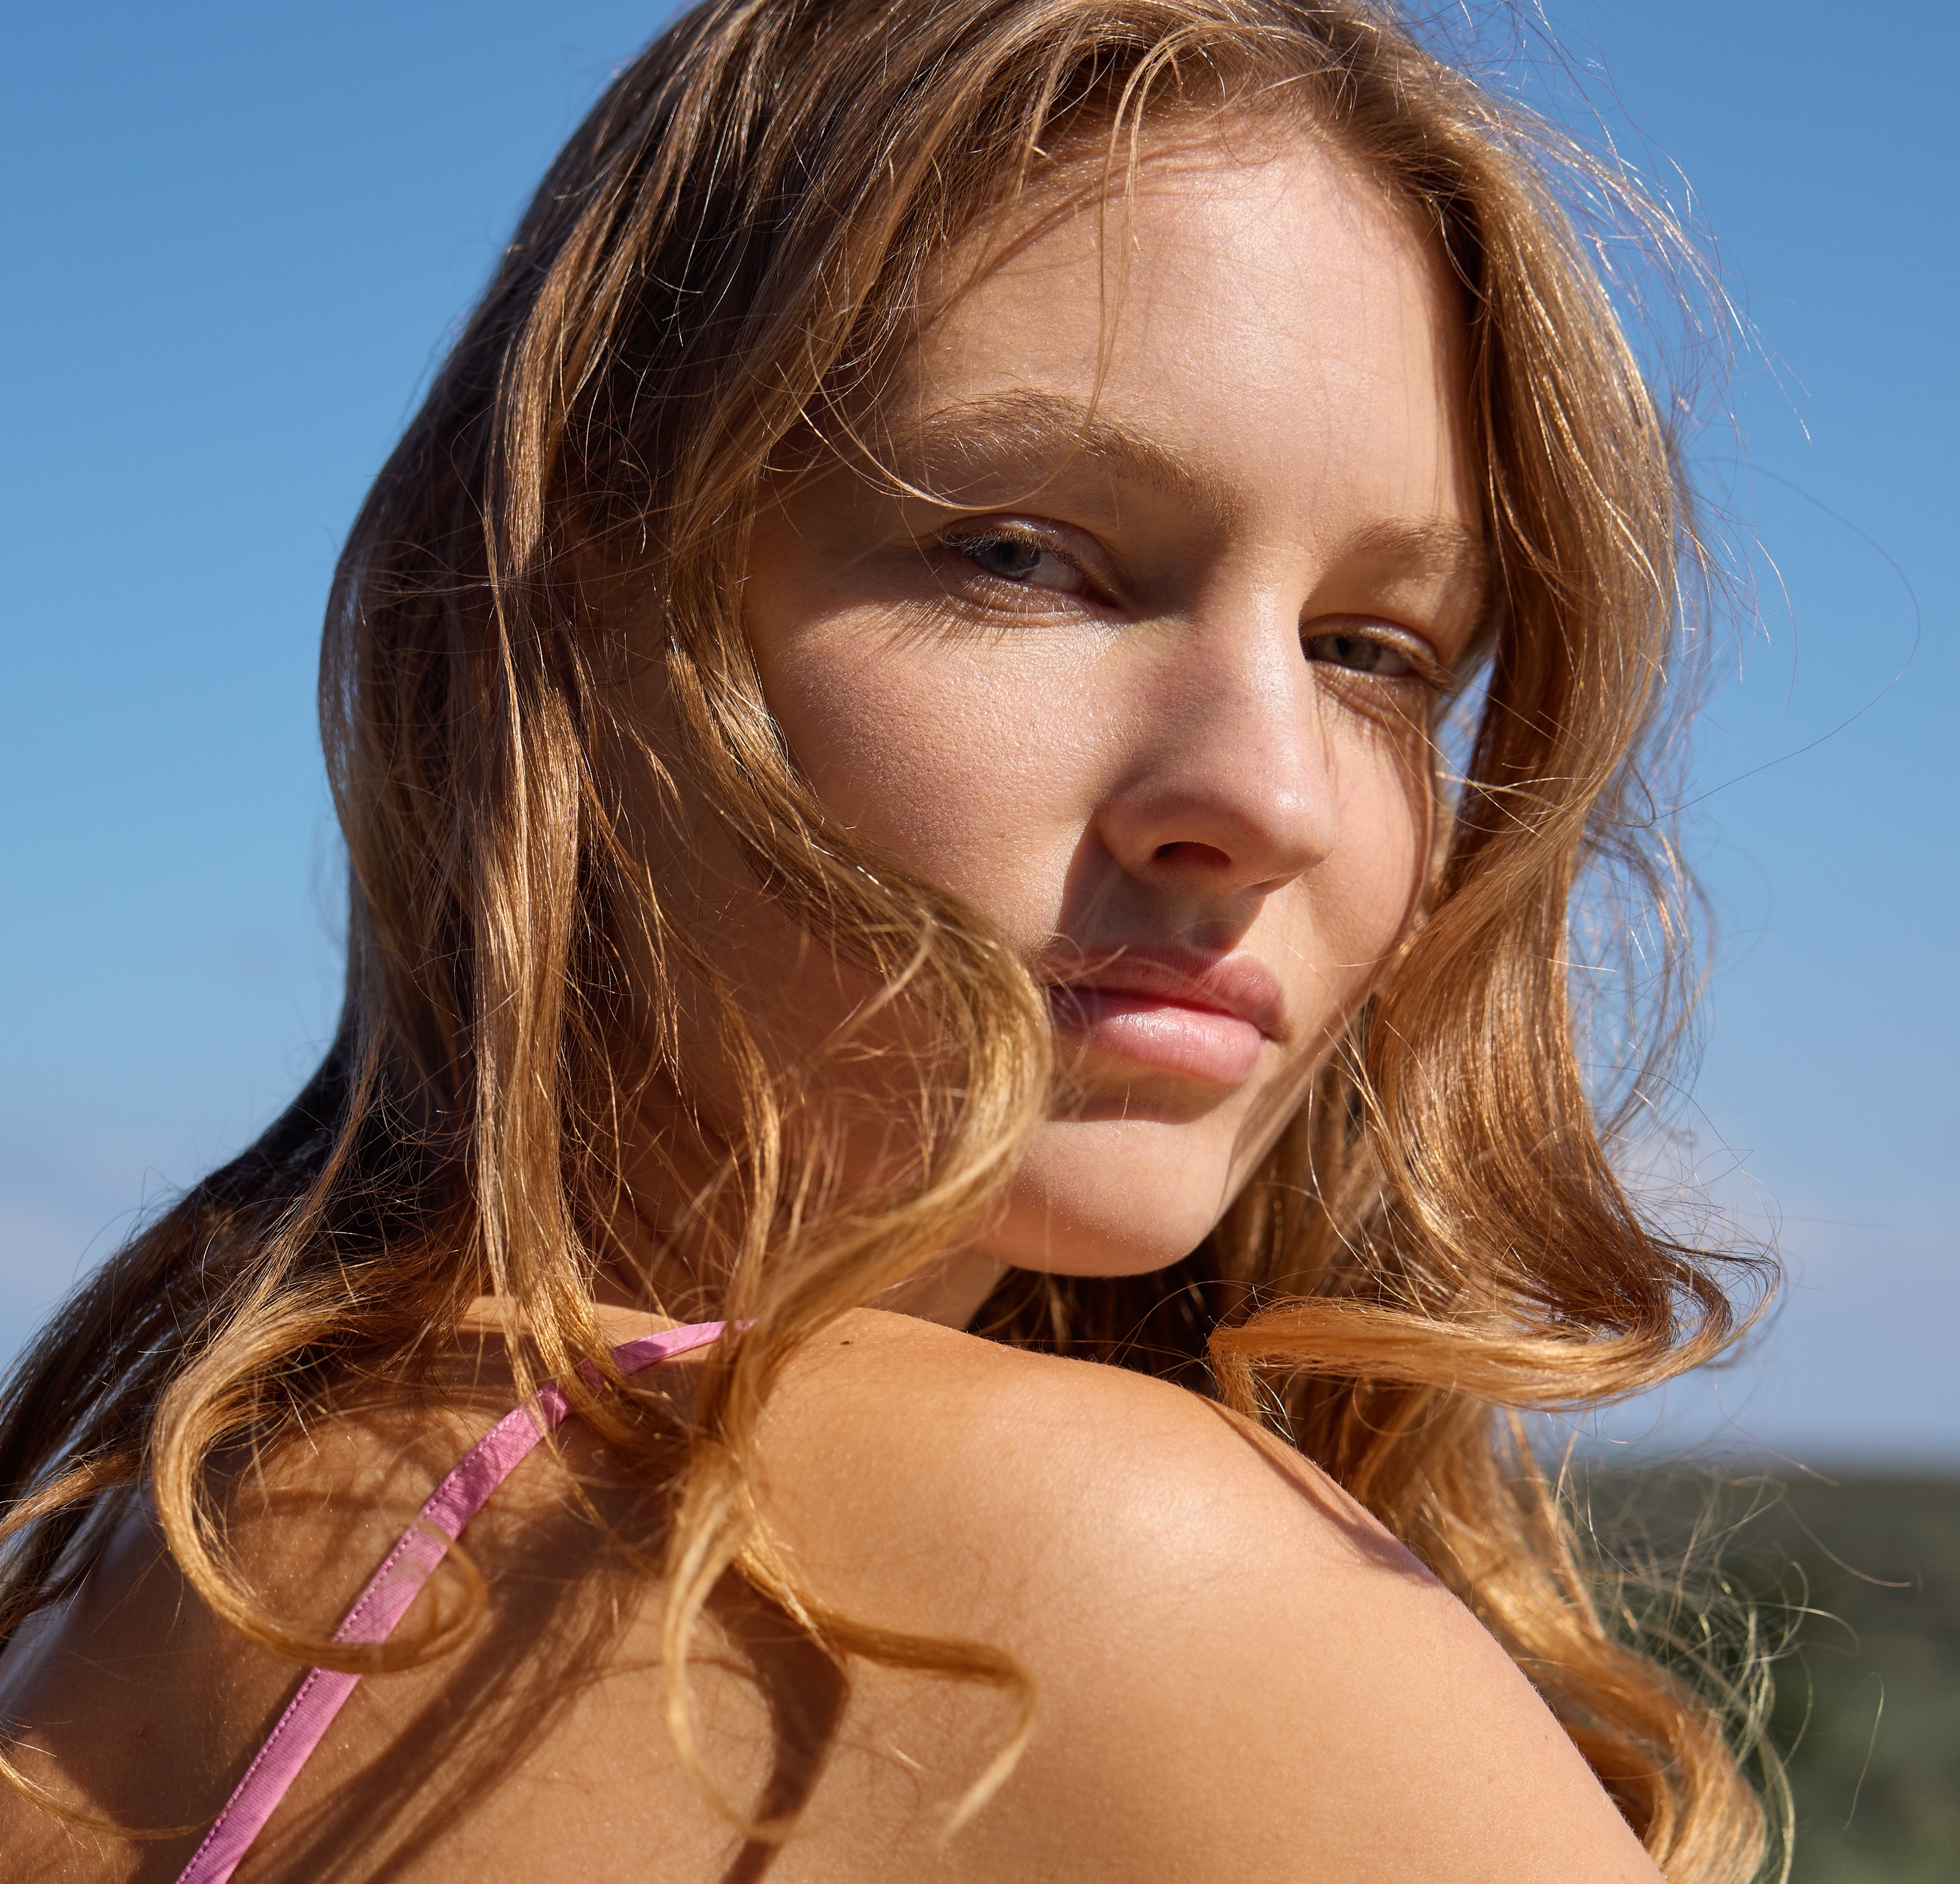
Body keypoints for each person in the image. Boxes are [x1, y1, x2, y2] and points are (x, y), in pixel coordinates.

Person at [0, 1, 1777, 1878]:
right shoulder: (1121, 1576)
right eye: (1026, 553)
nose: (1273, 796)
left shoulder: (122, 1555)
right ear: (581, 611)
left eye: (1373, 653)